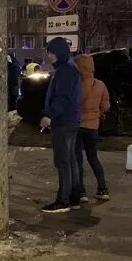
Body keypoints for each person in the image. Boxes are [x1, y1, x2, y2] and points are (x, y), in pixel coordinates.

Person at [41, 37, 82, 213]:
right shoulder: (69, 68)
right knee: (70, 160)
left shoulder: (65, 71)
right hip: (70, 121)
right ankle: (74, 196)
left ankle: (63, 200)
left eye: (50, 52)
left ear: (57, 53)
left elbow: (62, 98)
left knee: (63, 162)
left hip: (63, 122)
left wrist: (49, 116)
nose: (48, 56)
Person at [71, 54, 111, 203]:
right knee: (93, 158)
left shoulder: (75, 84)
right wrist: (96, 115)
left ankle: (81, 192)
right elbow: (106, 106)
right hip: (93, 127)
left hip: (77, 127)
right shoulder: (100, 85)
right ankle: (102, 189)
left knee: (78, 160)